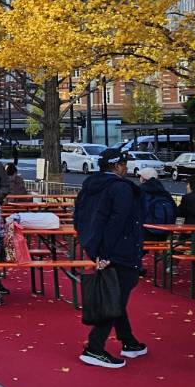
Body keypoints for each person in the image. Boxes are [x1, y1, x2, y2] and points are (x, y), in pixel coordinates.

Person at [72, 148, 148, 368]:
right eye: (124, 164)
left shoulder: (89, 187)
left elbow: (80, 217)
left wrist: (94, 248)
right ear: (118, 166)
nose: (126, 167)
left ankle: (128, 340)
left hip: (100, 246)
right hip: (120, 249)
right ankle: (95, 347)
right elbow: (119, 221)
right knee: (116, 298)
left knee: (116, 294)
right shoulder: (121, 189)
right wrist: (105, 252)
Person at [137, 167, 176, 241]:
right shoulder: (164, 192)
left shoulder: (141, 191)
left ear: (143, 178)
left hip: (146, 230)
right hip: (165, 230)